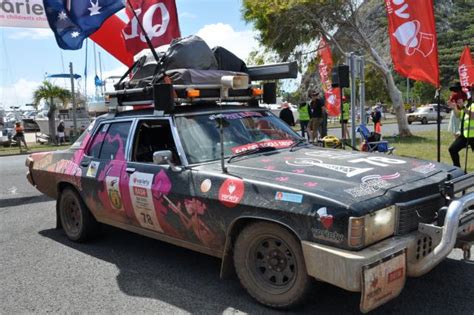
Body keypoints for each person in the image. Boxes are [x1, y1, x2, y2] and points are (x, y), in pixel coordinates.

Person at [448, 87, 474, 168]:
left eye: (472, 91)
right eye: (470, 91)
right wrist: (454, 107)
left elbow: (473, 116)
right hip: (465, 135)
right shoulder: (468, 104)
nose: (470, 93)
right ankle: (457, 169)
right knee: (452, 149)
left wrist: (463, 107)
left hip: (473, 136)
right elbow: (458, 115)